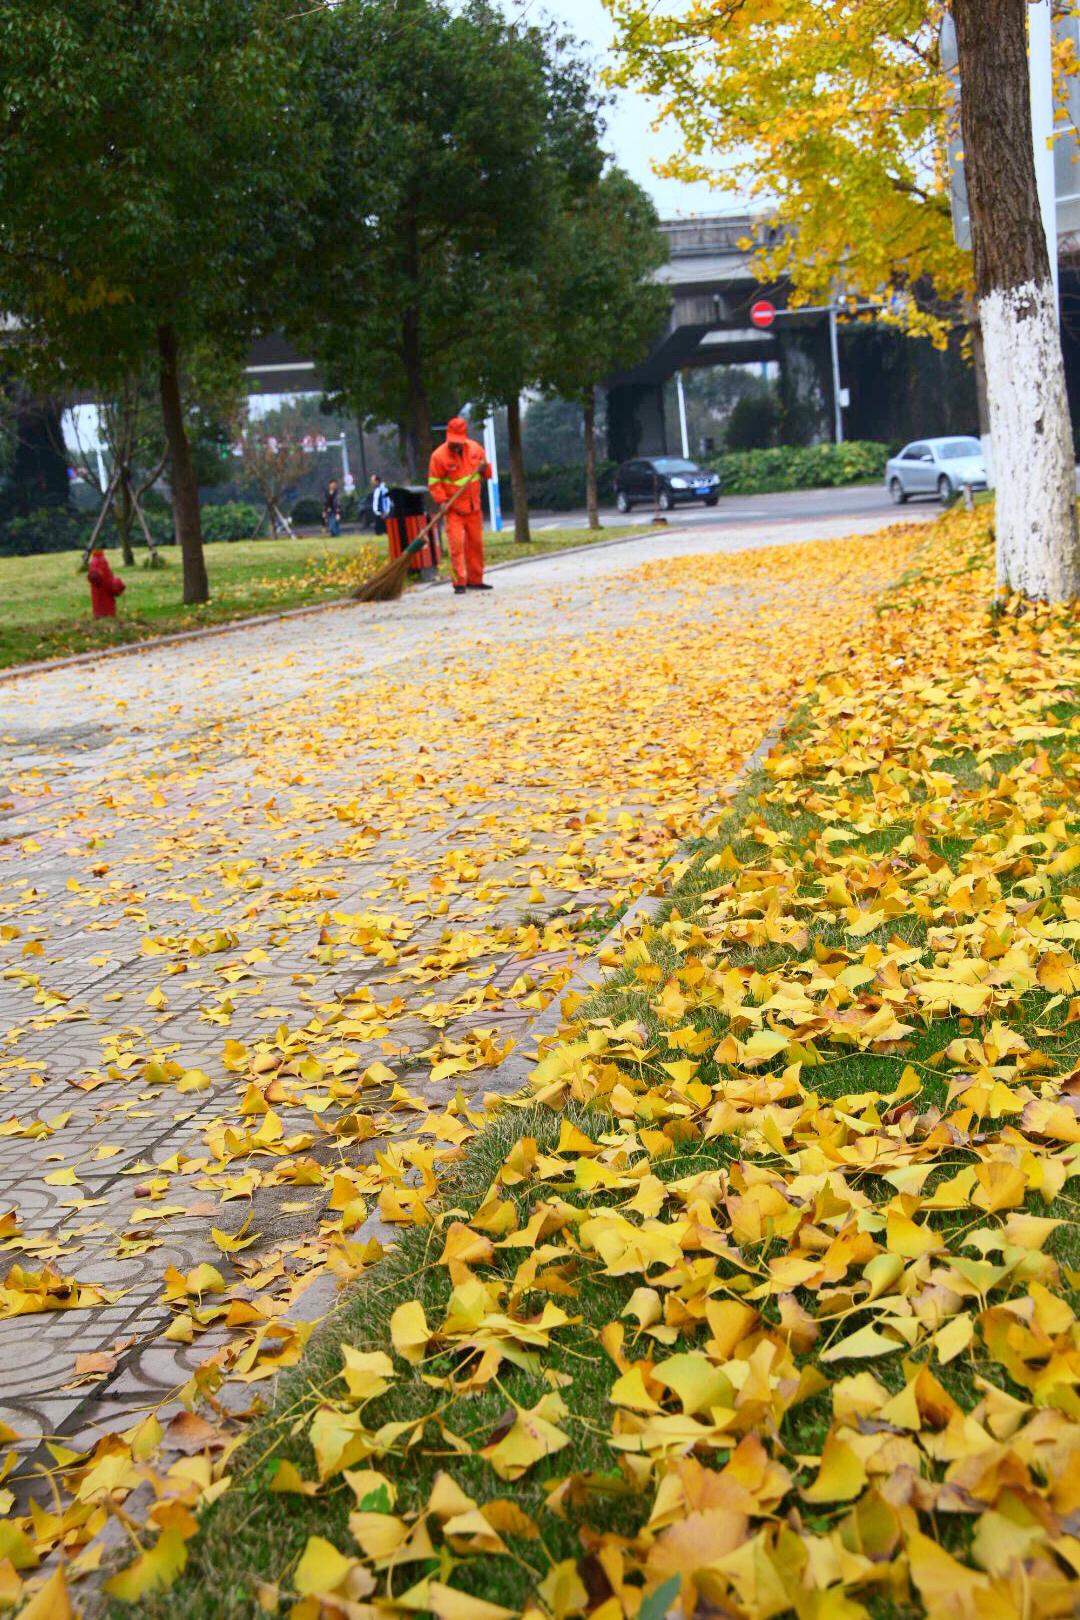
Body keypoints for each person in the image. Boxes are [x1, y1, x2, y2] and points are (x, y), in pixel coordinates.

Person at [427, 416, 491, 595]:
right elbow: (434, 483)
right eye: (452, 442)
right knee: (457, 546)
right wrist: (442, 501)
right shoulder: (438, 457)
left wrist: (484, 468)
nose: (455, 445)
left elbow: (486, 473)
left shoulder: (476, 450)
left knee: (476, 545)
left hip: (473, 508)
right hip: (453, 510)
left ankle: (476, 580)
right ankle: (459, 583)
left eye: (458, 442)